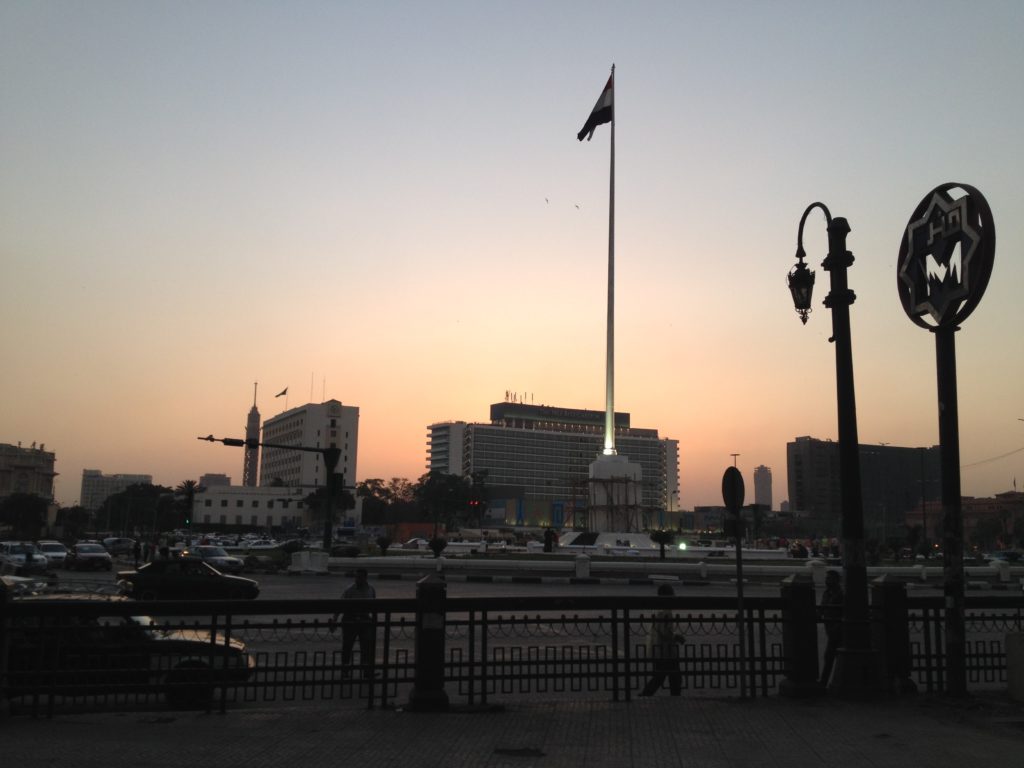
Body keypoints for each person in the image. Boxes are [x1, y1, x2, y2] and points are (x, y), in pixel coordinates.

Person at [639, 584, 685, 697]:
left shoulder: (658, 609)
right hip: (666, 651)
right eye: (671, 594)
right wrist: (677, 637)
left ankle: (646, 694)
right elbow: (665, 633)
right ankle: (674, 697)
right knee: (672, 676)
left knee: (661, 676)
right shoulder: (665, 612)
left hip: (658, 649)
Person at [332, 568, 377, 677]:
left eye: (360, 577)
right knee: (347, 646)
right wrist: (335, 619)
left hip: (364, 620)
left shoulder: (371, 589)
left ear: (365, 578)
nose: (357, 579)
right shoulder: (350, 590)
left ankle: (366, 670)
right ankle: (345, 669)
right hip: (350, 619)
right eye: (356, 577)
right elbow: (340, 604)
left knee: (366, 647)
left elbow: (374, 606)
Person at [819, 569, 844, 686]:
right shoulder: (827, 593)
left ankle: (825, 682)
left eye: (829, 578)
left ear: (836, 580)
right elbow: (822, 609)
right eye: (826, 578)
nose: (826, 581)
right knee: (832, 656)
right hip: (831, 629)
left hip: (838, 630)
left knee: (830, 655)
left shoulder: (841, 594)